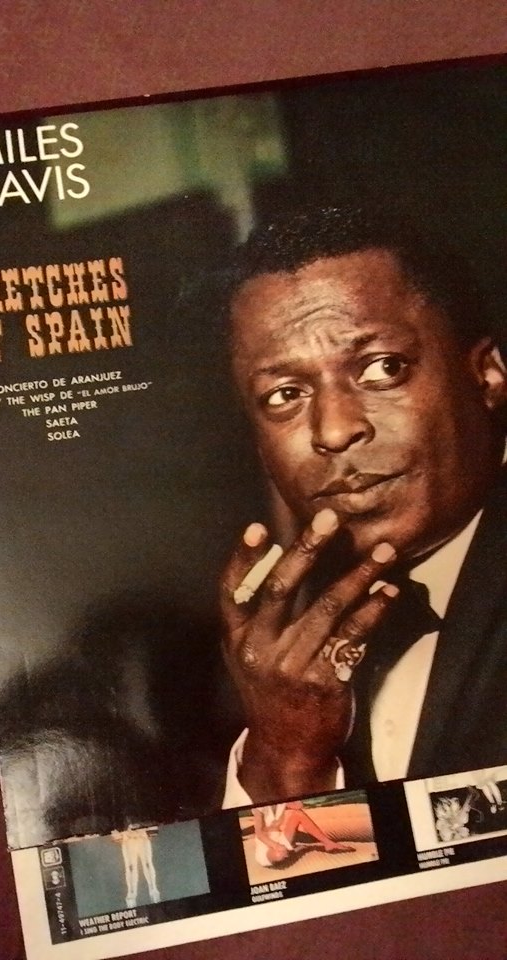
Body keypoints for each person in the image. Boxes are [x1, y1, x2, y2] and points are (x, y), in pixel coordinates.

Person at [221, 203, 507, 807]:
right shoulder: (281, 658)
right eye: (284, 394)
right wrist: (285, 759)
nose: (333, 431)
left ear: (486, 375)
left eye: (383, 368)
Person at [251, 800, 353, 867]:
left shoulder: (281, 801)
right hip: (265, 843)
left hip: (280, 837)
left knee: (298, 814)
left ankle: (328, 843)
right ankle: (290, 851)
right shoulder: (259, 806)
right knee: (279, 855)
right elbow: (259, 834)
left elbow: (299, 806)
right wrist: (276, 845)